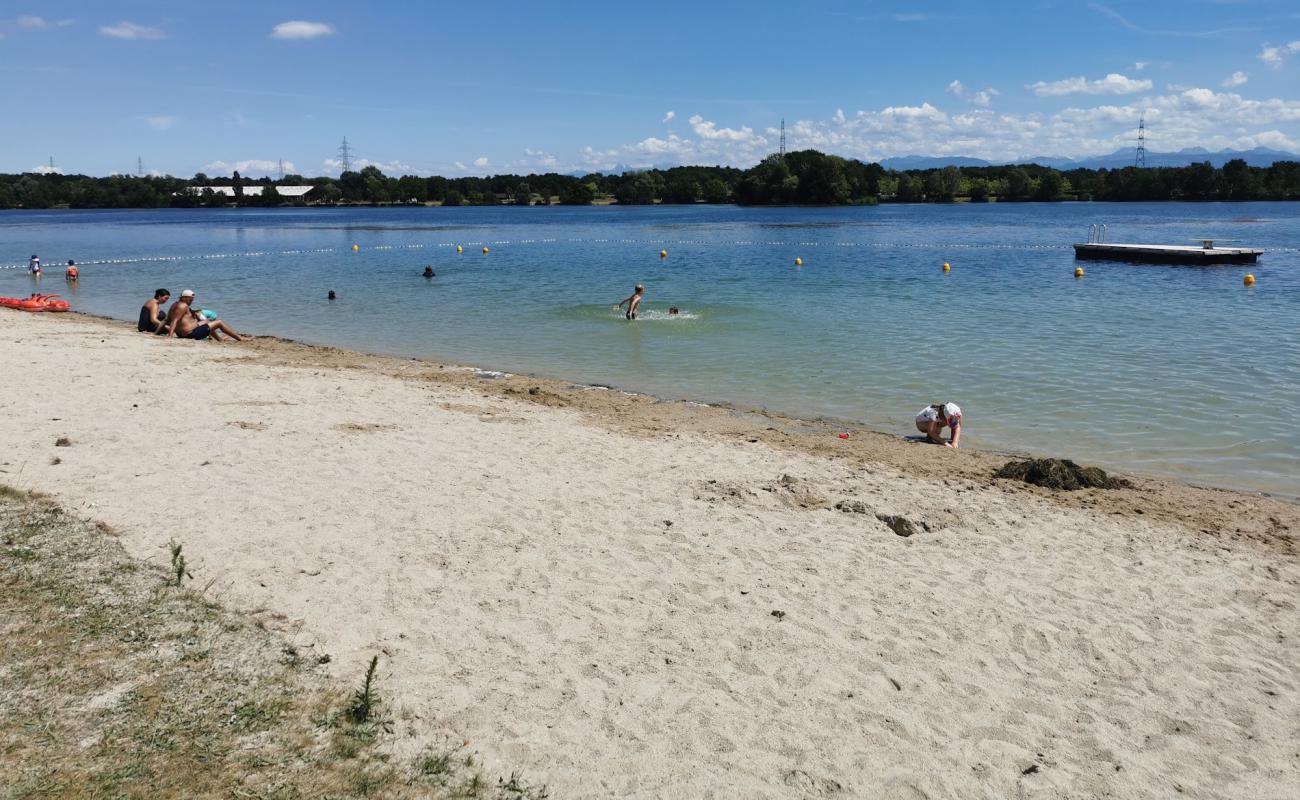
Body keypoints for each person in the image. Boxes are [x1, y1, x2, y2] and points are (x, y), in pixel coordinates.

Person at [164, 290, 252, 341]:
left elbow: (167, 320)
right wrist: (170, 337)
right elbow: (174, 320)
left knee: (206, 322)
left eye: (192, 300)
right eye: (189, 300)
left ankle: (220, 340)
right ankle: (240, 338)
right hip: (190, 334)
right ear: (183, 298)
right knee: (220, 322)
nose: (191, 302)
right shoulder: (183, 306)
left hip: (184, 334)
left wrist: (193, 313)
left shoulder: (175, 304)